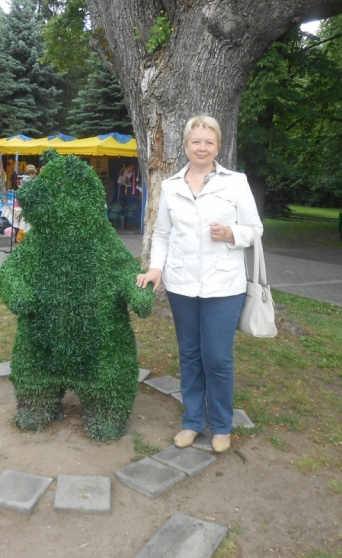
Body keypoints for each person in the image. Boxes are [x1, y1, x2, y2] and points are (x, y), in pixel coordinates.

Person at [136, 115, 263, 454]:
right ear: (186, 145)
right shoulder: (171, 186)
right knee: (190, 356)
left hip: (224, 287)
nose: (202, 148)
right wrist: (156, 269)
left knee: (218, 358)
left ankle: (221, 425)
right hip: (181, 286)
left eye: (209, 142)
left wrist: (231, 233)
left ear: (218, 146)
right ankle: (193, 421)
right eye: (196, 141)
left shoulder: (235, 182)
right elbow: (162, 234)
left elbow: (255, 230)